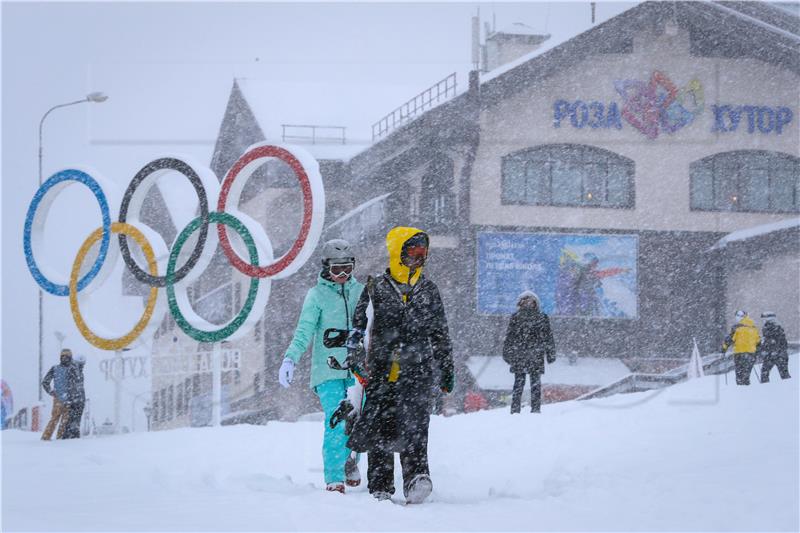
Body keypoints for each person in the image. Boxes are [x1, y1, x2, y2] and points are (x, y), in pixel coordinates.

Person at [345, 226, 454, 504]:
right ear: (397, 254)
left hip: (418, 372)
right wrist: (356, 355)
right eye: (412, 253)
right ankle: (380, 484)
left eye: (423, 254)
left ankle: (416, 478)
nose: (418, 259)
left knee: (416, 426)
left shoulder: (429, 290)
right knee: (381, 426)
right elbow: (358, 328)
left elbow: (440, 333)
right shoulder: (376, 289)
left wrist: (446, 367)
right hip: (382, 370)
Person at [278, 239, 364, 494]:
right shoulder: (316, 295)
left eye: (347, 269)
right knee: (337, 420)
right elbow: (304, 330)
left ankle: (350, 460)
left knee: (357, 420)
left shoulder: (360, 292)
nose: (342, 275)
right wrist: (291, 357)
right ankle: (334, 476)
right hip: (327, 371)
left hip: (357, 368)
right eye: (337, 270)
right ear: (326, 268)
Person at [502, 291, 556, 414]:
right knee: (519, 385)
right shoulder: (516, 317)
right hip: (521, 355)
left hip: (533, 355)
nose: (527, 303)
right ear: (521, 302)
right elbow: (509, 336)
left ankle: (535, 410)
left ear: (535, 303)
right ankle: (515, 411)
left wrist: (550, 353)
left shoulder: (542, 317)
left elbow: (548, 337)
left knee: (535, 385)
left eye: (530, 301)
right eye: (525, 301)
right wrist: (507, 353)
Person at [41, 348, 78, 440]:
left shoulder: (68, 369)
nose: (65, 359)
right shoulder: (59, 368)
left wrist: (51, 392)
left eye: (67, 357)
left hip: (63, 399)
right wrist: (51, 392)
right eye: (64, 357)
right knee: (60, 420)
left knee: (59, 420)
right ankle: (53, 438)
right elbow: (45, 382)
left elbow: (45, 382)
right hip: (63, 399)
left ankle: (52, 438)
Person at [722, 310, 760, 386]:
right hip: (751, 354)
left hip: (740, 354)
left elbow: (729, 339)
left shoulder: (736, 327)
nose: (736, 318)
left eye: (737, 316)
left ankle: (741, 391)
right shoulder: (753, 327)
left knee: (739, 375)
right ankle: (747, 389)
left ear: (740, 316)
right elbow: (758, 341)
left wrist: (724, 348)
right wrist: (757, 351)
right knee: (746, 374)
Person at [759, 312, 791, 383]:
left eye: (764, 318)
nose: (763, 320)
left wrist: (772, 350)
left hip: (777, 355)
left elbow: (777, 341)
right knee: (784, 374)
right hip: (775, 354)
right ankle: (788, 387)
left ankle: (766, 389)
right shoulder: (774, 326)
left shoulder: (773, 327)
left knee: (765, 373)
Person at [64, 353, 86, 438]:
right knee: (71, 419)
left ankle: (73, 434)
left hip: (78, 400)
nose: (82, 366)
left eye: (83, 364)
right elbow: (70, 385)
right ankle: (70, 435)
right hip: (74, 400)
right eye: (81, 364)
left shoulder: (79, 373)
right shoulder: (71, 371)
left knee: (75, 419)